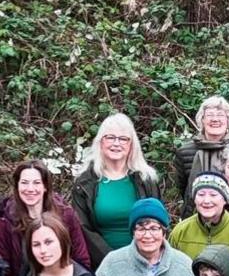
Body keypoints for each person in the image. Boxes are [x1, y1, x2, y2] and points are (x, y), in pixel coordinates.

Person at [69, 113, 162, 266]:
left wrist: (142, 256)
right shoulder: (85, 183)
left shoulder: (146, 179)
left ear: (131, 145)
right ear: (100, 142)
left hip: (145, 260)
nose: (116, 143)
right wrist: (114, 260)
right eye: (110, 137)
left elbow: (158, 223)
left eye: (123, 139)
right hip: (102, 264)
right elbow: (83, 229)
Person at [0, 160, 94, 276]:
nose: (30, 189)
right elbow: (2, 272)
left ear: (45, 186)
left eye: (36, 183)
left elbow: (81, 259)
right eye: (24, 183)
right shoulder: (4, 224)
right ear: (17, 185)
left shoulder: (66, 216)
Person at [168, 173, 229, 263]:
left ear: (225, 200)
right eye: (201, 194)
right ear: (194, 199)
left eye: (213, 195)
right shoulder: (179, 232)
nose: (206, 201)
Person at [170, 96, 229, 215]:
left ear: (228, 120)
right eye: (210, 115)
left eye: (220, 115)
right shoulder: (185, 152)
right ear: (202, 120)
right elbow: (183, 187)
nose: (215, 119)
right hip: (194, 217)